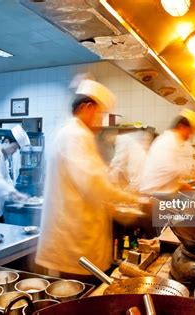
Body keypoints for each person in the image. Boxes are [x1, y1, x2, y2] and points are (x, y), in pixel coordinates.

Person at [35, 78, 139, 280]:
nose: (101, 122)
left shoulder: (76, 134)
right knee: (80, 297)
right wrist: (132, 199)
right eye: (100, 114)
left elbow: (89, 183)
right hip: (75, 243)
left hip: (79, 239)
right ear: (87, 107)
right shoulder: (75, 135)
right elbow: (94, 183)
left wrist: (114, 205)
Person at [140, 108, 195, 194]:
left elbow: (168, 173)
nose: (189, 136)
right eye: (189, 132)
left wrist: (181, 184)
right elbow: (171, 170)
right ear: (181, 127)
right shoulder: (168, 141)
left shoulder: (172, 140)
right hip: (153, 197)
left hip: (160, 196)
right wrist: (194, 173)